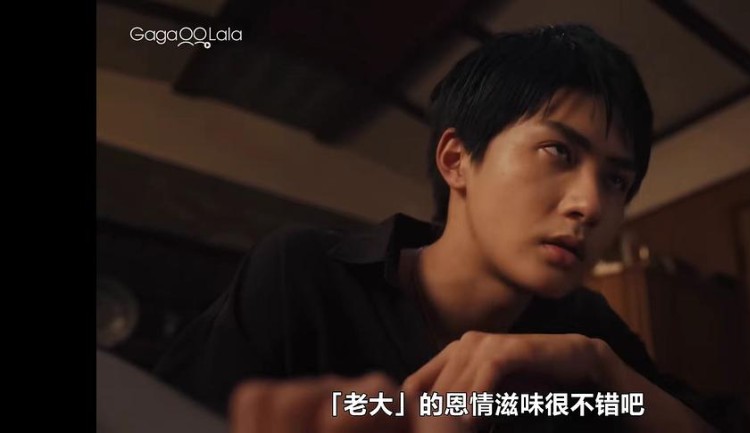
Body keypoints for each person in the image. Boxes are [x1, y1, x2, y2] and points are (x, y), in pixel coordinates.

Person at [154, 23, 719, 433]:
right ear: (456, 160)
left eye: (616, 180)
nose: (590, 205)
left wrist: (606, 373)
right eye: (558, 151)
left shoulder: (587, 331)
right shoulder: (303, 274)